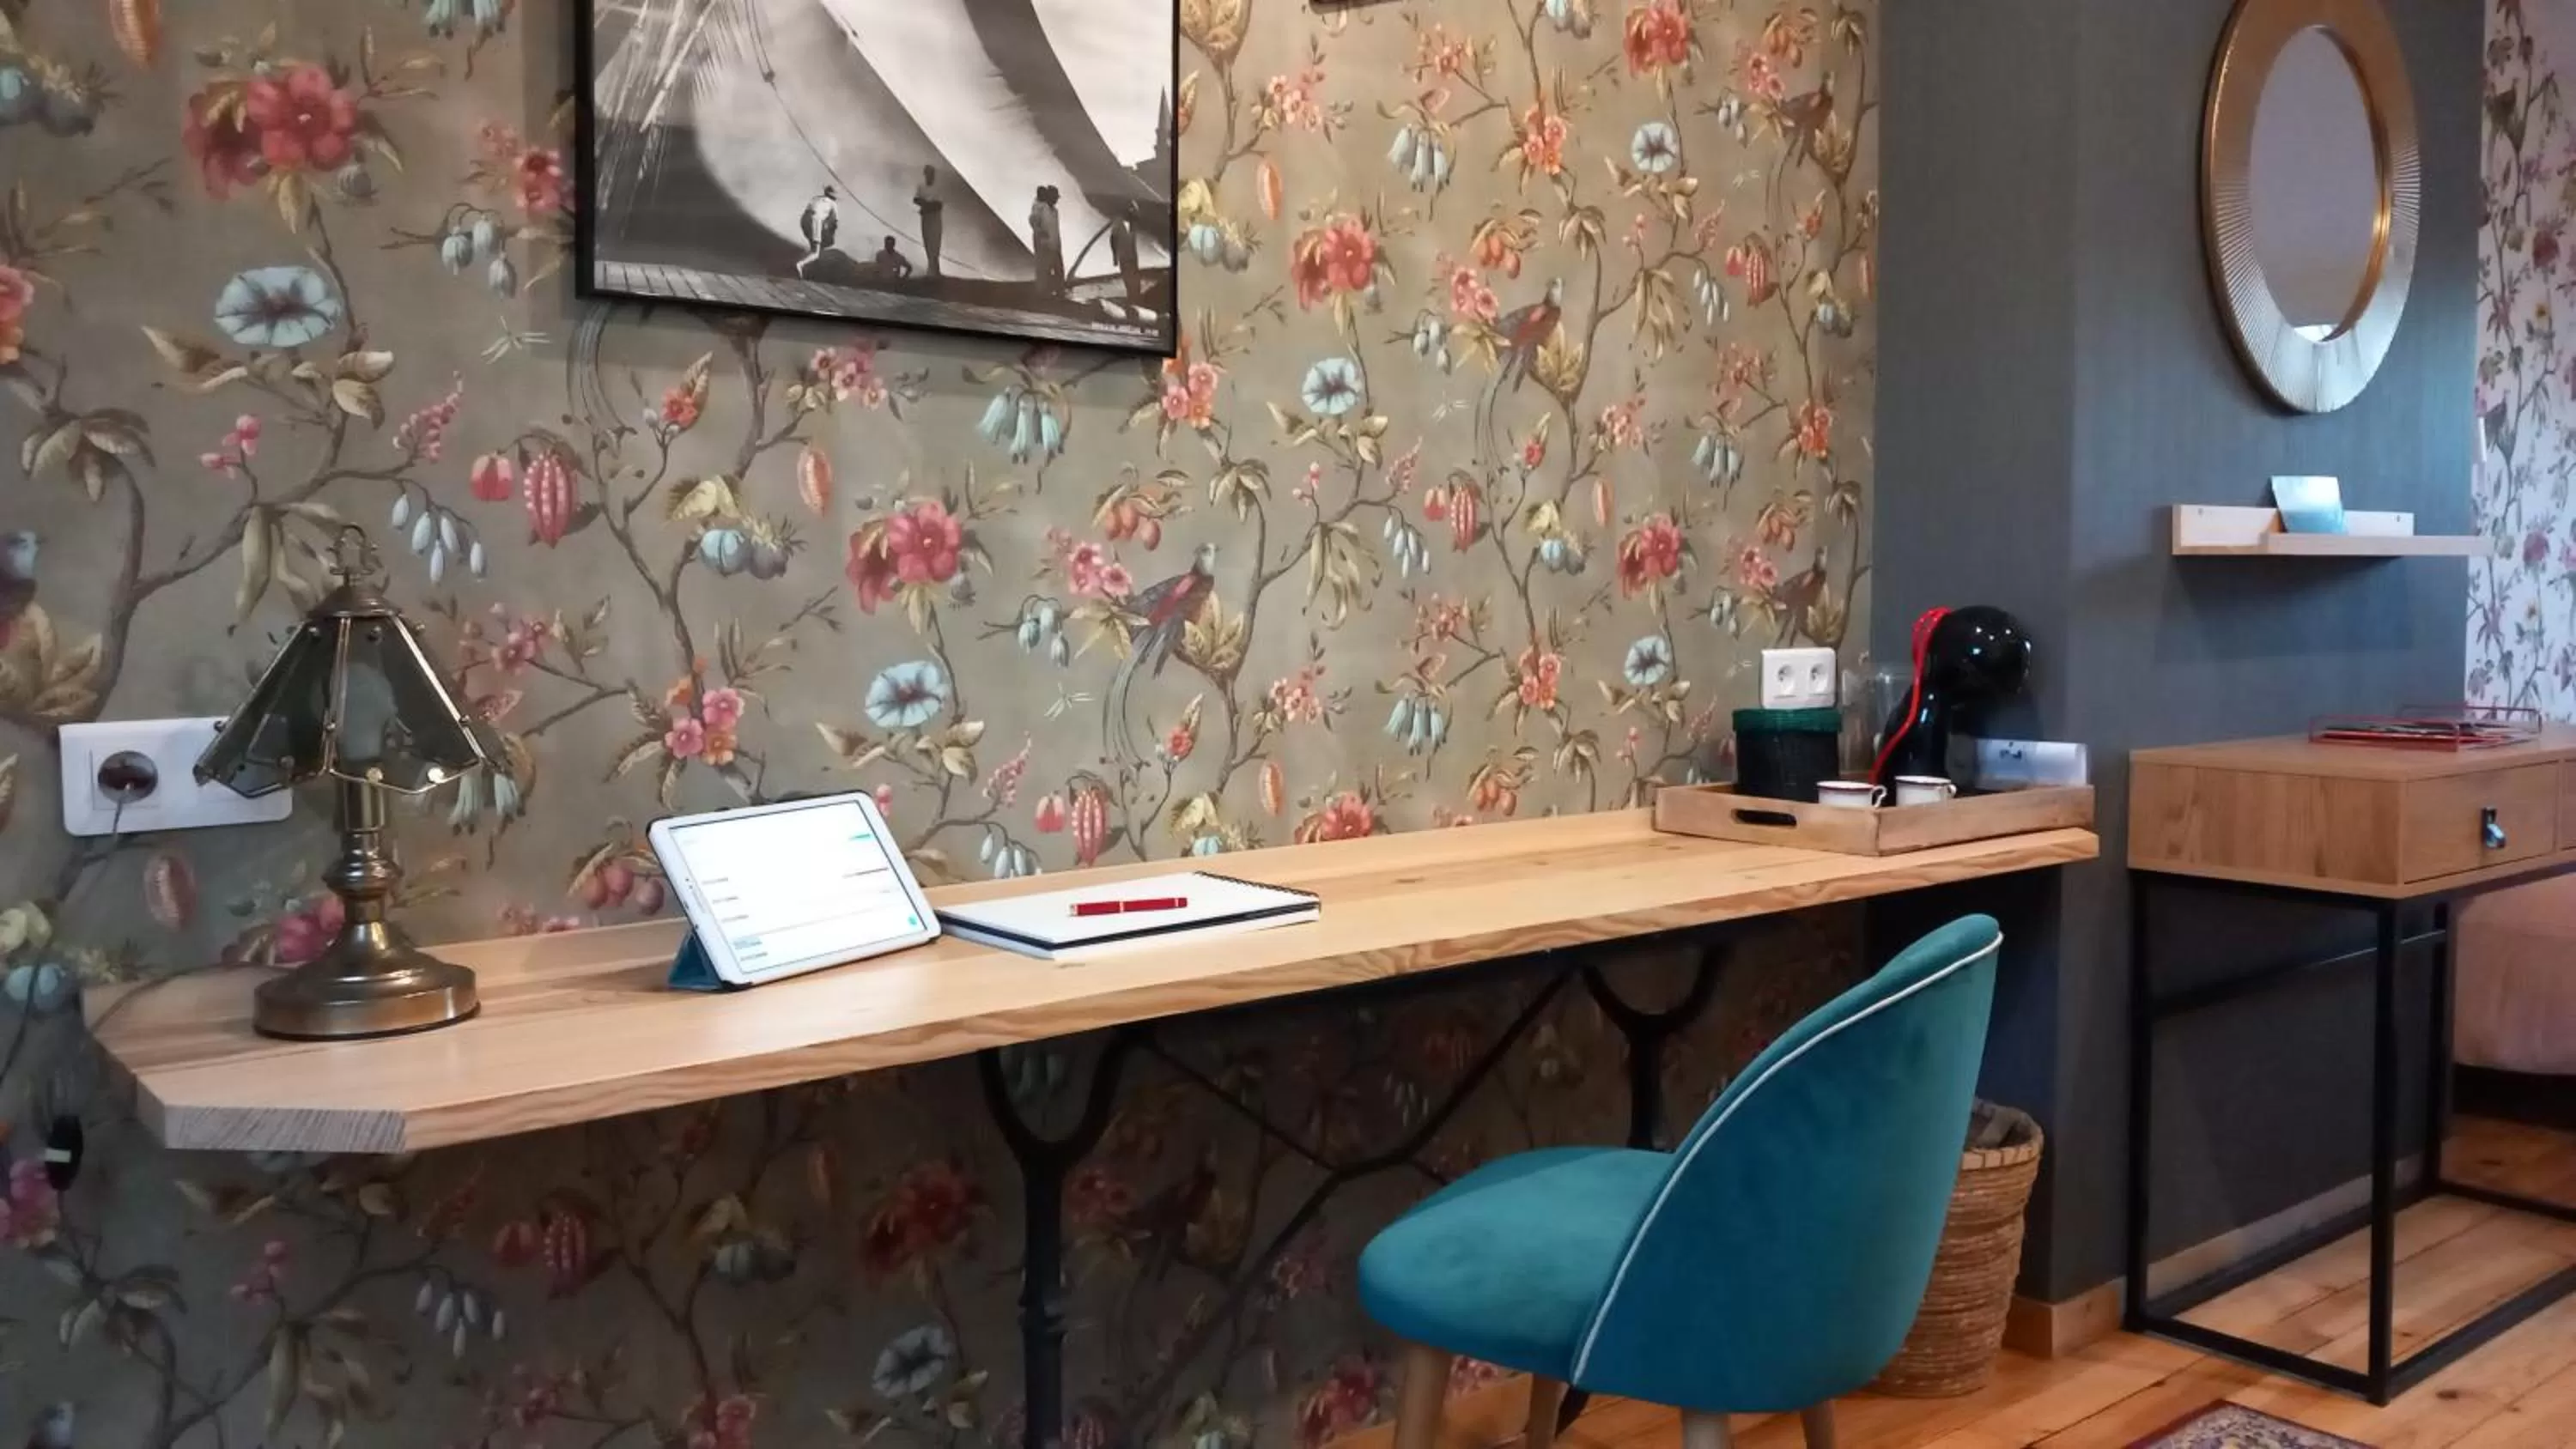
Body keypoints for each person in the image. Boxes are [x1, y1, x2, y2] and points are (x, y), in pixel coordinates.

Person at [1029, 185, 1064, 296]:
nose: (1056, 200)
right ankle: (1043, 295)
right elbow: (1032, 221)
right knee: (1044, 271)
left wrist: (1058, 245)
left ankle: (1059, 293)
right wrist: (1040, 233)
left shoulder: (1055, 212)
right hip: (1044, 247)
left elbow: (1055, 230)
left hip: (1055, 246)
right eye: (1055, 197)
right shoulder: (1041, 208)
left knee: (1059, 271)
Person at [914, 165, 945, 279]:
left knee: (935, 244)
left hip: (935, 218)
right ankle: (933, 270)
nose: (930, 175)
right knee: (927, 242)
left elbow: (939, 205)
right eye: (928, 173)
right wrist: (925, 205)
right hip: (925, 218)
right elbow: (916, 199)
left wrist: (926, 206)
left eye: (931, 173)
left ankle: (934, 271)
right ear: (925, 174)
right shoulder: (921, 186)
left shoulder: (938, 187)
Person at [798, 185, 839, 263]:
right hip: (816, 221)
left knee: (814, 245)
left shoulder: (815, 198)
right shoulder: (833, 204)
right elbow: (835, 222)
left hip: (805, 220)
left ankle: (809, 258)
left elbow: (808, 210)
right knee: (817, 251)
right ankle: (801, 264)